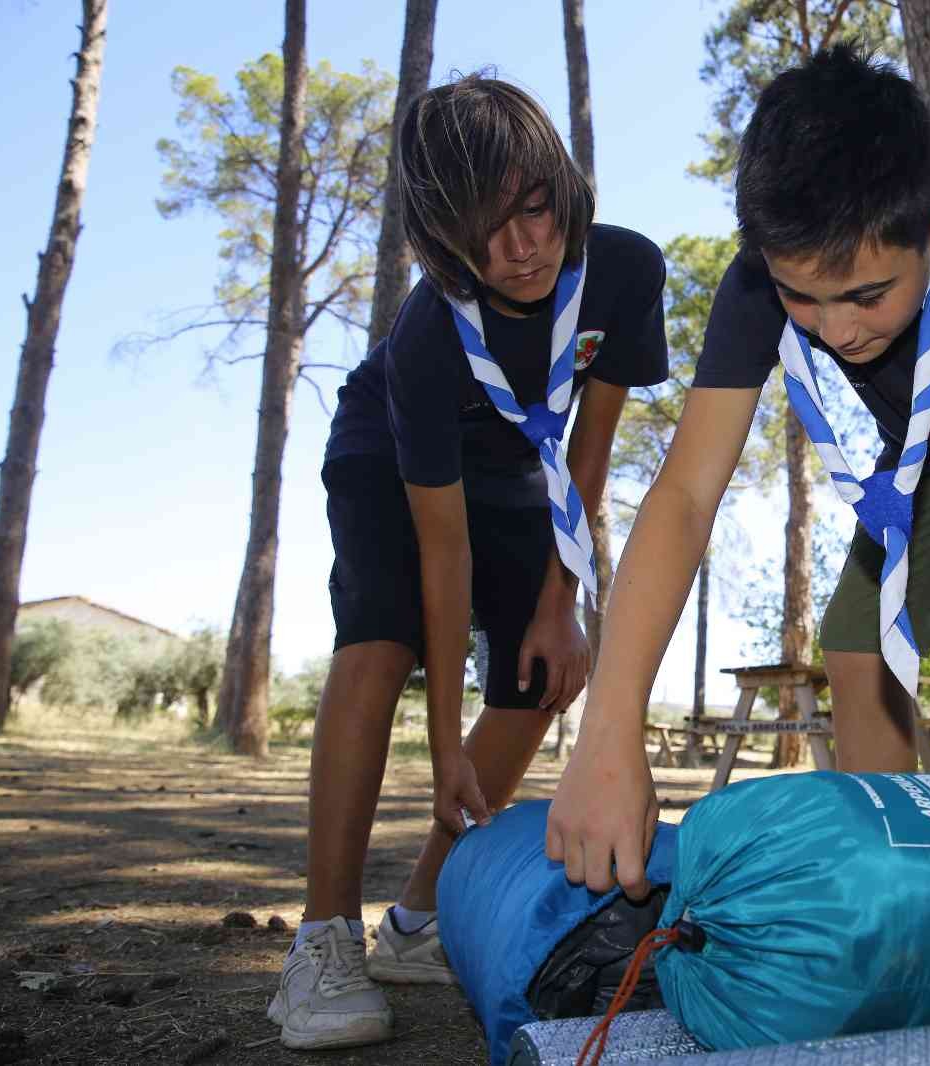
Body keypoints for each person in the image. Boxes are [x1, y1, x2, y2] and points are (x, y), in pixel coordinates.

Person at [546, 45, 930, 903]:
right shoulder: (763, 276)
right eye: (804, 297)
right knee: (856, 634)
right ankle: (896, 873)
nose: (837, 331)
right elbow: (682, 496)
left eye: (866, 295)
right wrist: (608, 727)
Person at [266, 75, 667, 1051]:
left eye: (533, 209)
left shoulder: (624, 271)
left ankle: (415, 920)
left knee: (540, 671)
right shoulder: (425, 339)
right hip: (394, 451)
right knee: (378, 639)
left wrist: (559, 604)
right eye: (484, 229)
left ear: (562, 192)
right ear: (443, 240)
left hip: (517, 462)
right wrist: (444, 742)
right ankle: (321, 944)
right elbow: (441, 558)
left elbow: (589, 456)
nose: (521, 247)